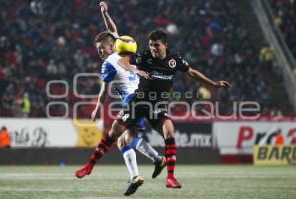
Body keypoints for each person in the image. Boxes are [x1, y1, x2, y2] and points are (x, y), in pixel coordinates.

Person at [99, 1, 231, 189]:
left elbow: (191, 72)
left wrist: (213, 83)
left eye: (156, 45)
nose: (153, 48)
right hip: (138, 100)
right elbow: (119, 49)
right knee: (124, 137)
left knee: (144, 136)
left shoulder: (163, 58)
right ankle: (151, 164)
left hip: (148, 101)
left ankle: (155, 175)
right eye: (151, 45)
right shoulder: (132, 55)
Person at [75, 3, 166, 196]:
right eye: (97, 49)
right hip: (146, 98)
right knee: (128, 139)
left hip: (133, 100)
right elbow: (113, 30)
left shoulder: (108, 64)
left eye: (101, 48)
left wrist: (98, 106)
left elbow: (104, 90)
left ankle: (102, 169)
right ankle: (156, 161)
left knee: (117, 138)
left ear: (110, 47)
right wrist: (105, 14)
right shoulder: (122, 50)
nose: (99, 52)